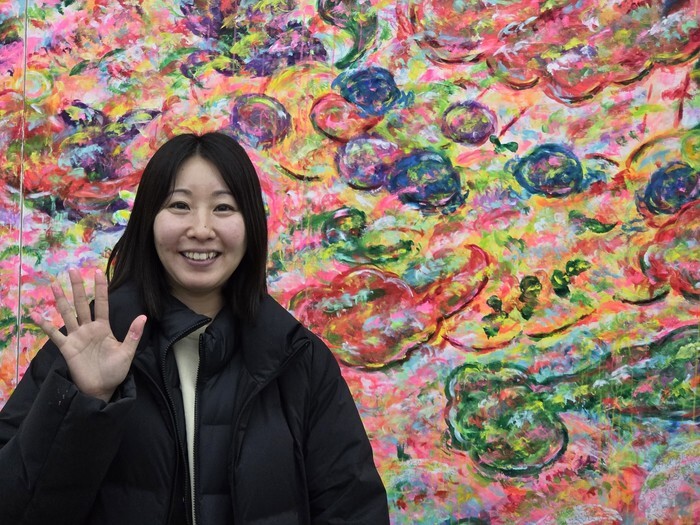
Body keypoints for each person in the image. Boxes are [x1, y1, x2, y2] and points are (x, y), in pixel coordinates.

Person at [0, 132, 390, 524]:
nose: (201, 229)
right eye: (180, 205)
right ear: (149, 220)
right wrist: (86, 400)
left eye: (223, 207)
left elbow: (354, 511)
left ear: (251, 225)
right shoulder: (88, 345)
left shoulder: (297, 358)